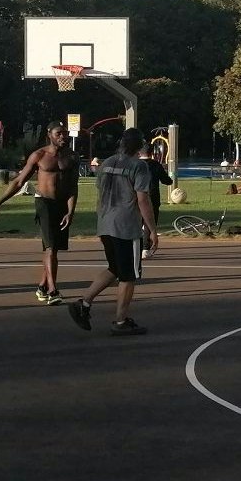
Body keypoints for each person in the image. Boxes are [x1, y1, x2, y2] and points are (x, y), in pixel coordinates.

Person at [66, 129, 158, 337]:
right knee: (128, 275)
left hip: (106, 222)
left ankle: (84, 302)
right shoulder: (139, 166)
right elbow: (142, 199)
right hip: (125, 226)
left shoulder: (106, 163)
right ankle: (120, 320)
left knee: (115, 268)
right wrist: (152, 229)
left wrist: (101, 221)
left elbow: (100, 195)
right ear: (139, 146)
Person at [0, 123, 79, 304]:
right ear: (49, 135)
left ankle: (42, 286)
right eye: (59, 134)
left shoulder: (72, 156)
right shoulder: (39, 155)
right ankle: (53, 290)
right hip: (44, 203)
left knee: (53, 249)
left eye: (65, 133)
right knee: (50, 247)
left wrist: (70, 211)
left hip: (62, 205)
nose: (63, 137)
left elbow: (73, 187)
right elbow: (19, 181)